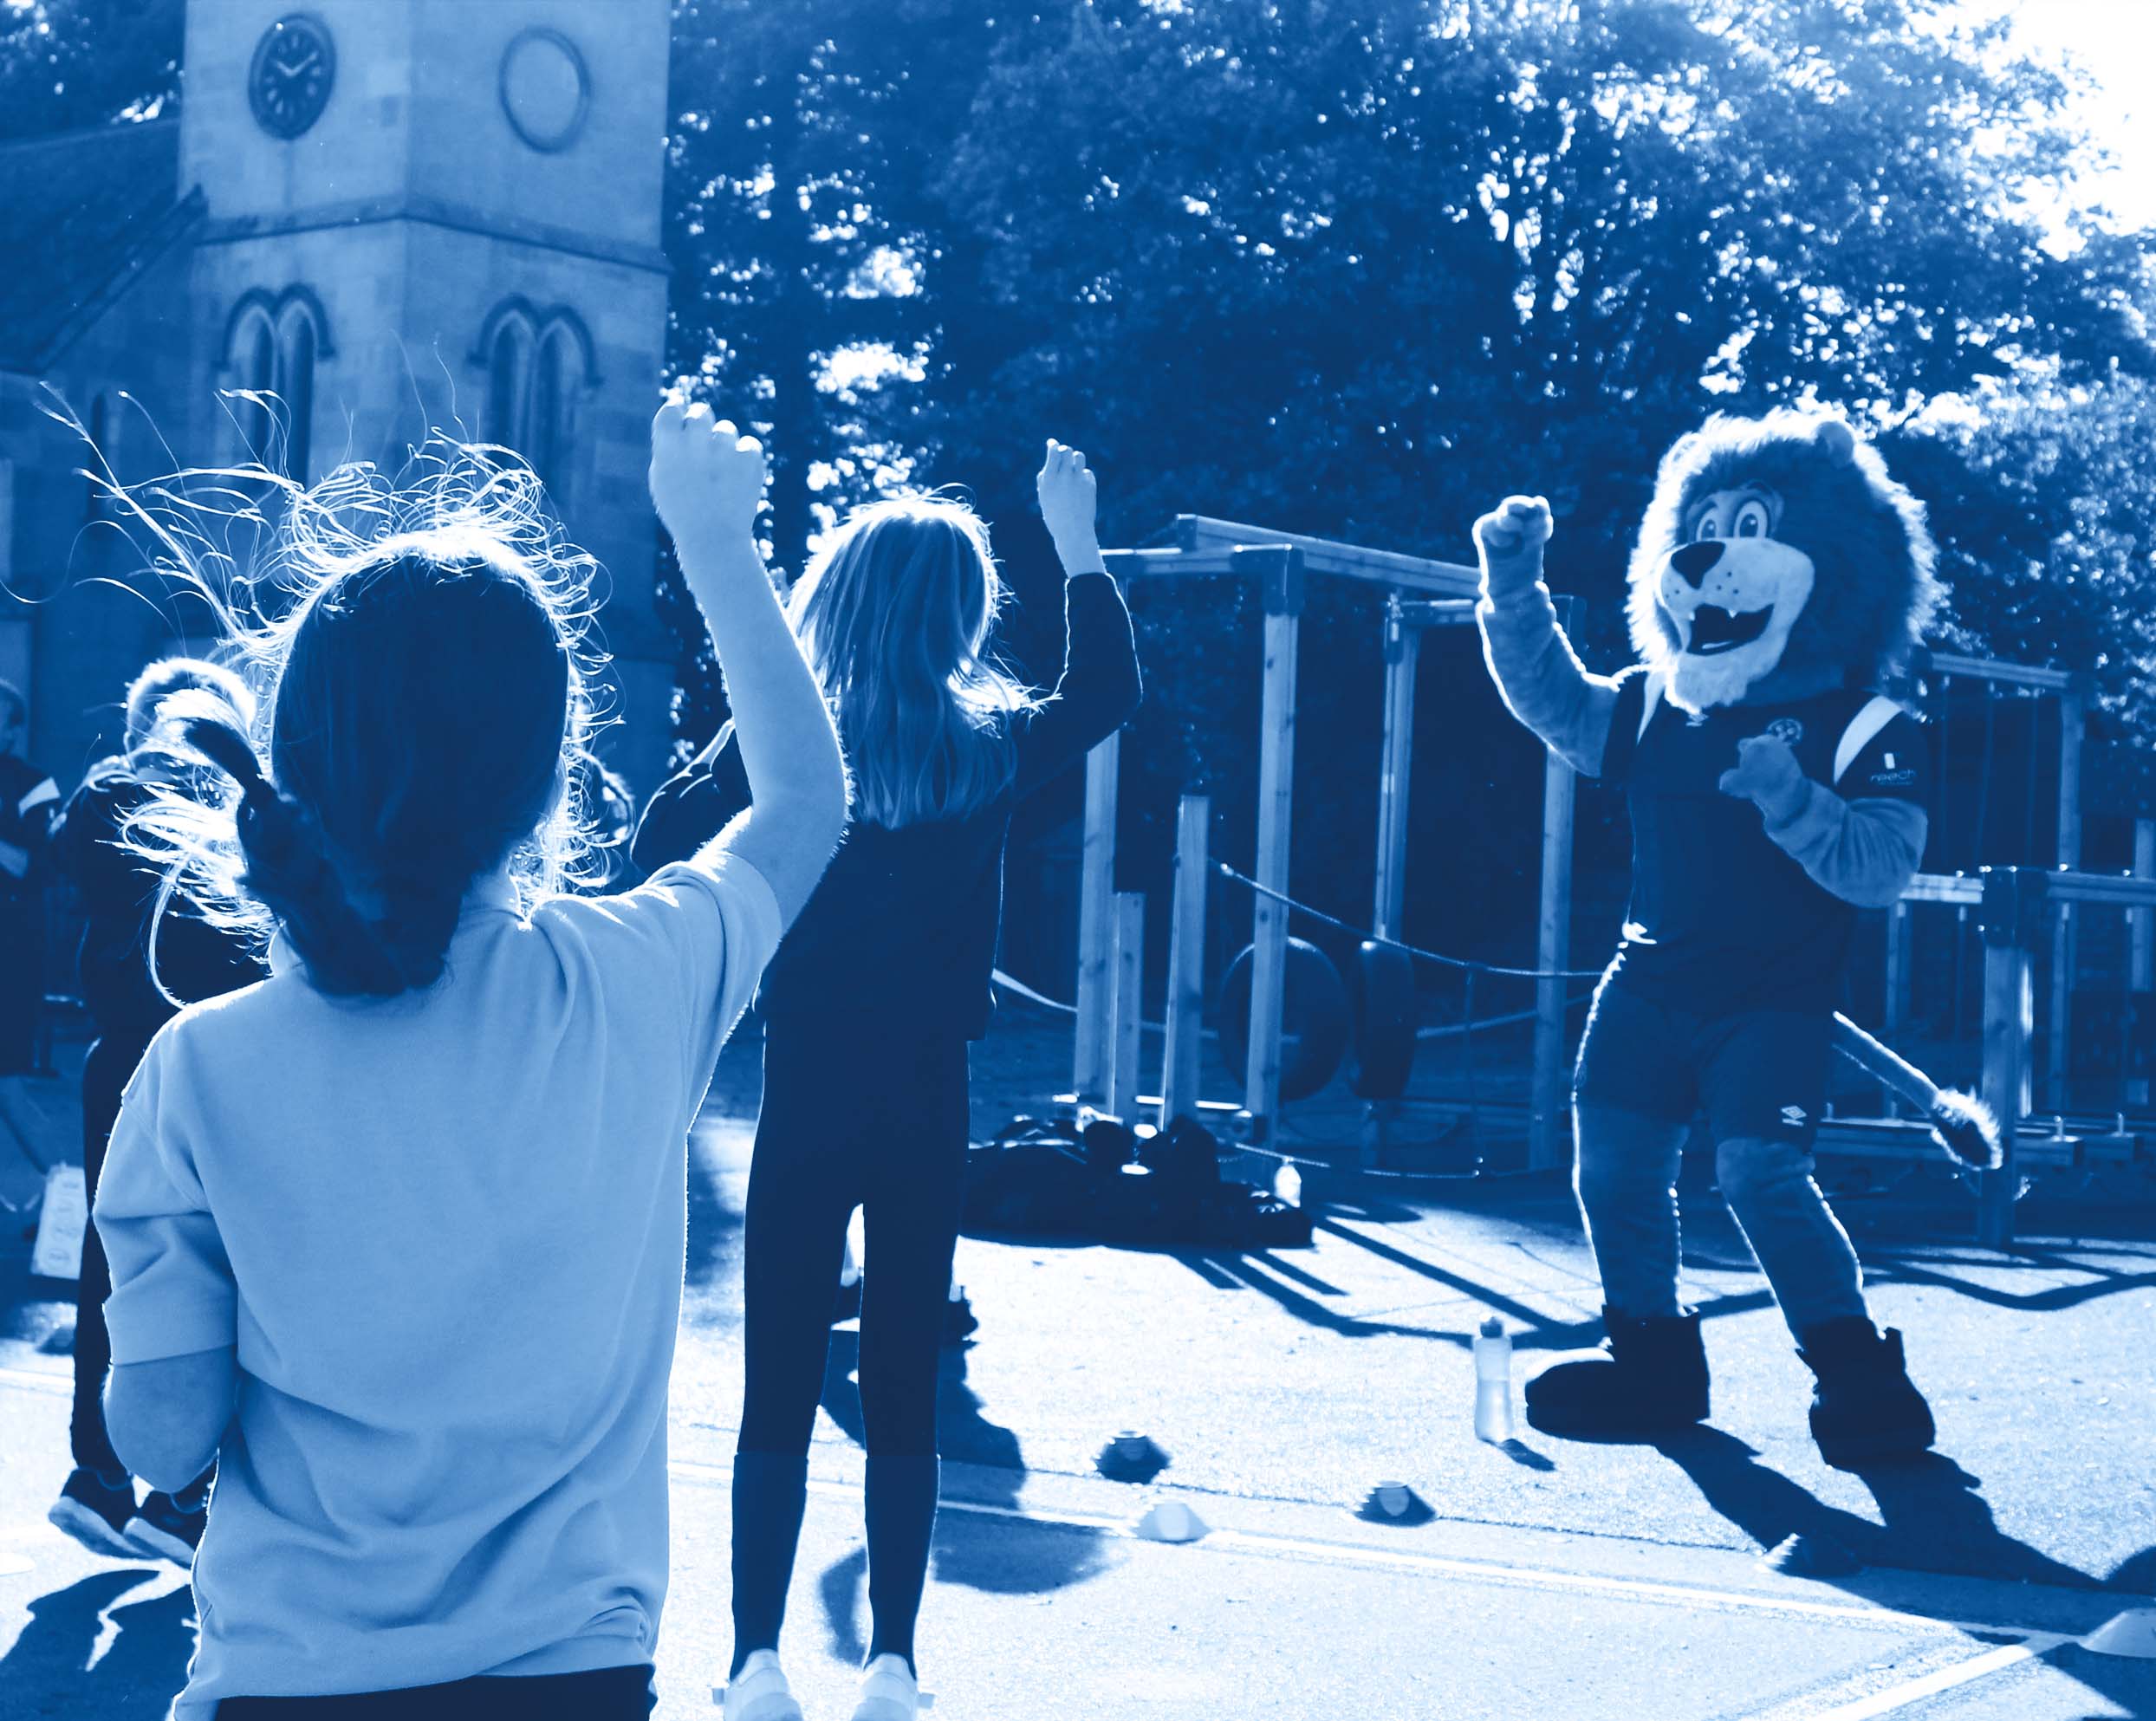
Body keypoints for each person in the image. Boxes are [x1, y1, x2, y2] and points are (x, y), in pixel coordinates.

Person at [89, 406, 846, 1720]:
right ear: (552, 782)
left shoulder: (200, 1067)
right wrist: (715, 545)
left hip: (291, 1683)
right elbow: (804, 805)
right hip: (574, 1676)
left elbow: (158, 1442)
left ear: (295, 764)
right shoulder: (636, 980)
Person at [636, 444, 1140, 1721]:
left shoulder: (783, 751)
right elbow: (1106, 689)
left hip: (806, 1088)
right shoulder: (988, 747)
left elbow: (654, 840)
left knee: (777, 1381)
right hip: (930, 1097)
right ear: (961, 614)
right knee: (906, 1377)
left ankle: (756, 1661)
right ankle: (895, 1665)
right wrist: (1076, 541)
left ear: (840, 598)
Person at [47, 658, 267, 1566]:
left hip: (115, 1054)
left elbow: (65, 868)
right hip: (212, 1056)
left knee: (111, 1259)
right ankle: (183, 1495)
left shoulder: (102, 794)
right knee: (216, 1268)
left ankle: (98, 1473)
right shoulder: (230, 795)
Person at [0, 678, 62, 1073]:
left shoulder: (36, 785)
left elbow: (39, 867)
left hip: (11, 943)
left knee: (8, 1071)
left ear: (13, 730)